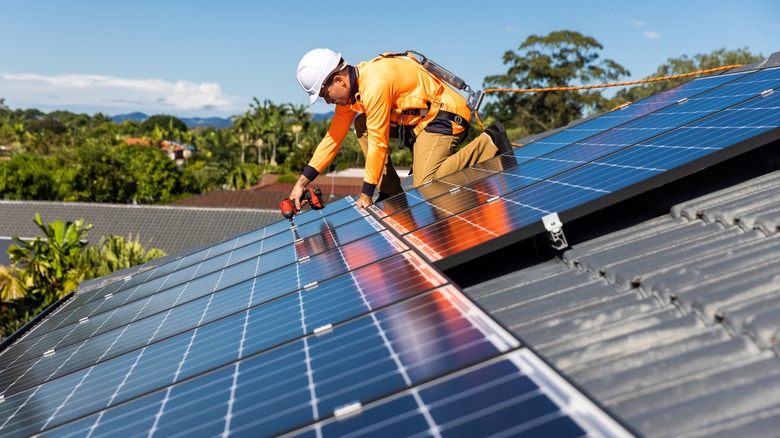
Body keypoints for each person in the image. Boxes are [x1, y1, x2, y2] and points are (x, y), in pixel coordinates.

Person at [289, 48, 513, 210]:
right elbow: (332, 138)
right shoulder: (353, 95)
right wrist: (302, 183)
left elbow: (378, 142)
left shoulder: (375, 84)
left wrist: (366, 193)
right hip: (419, 125)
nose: (327, 102)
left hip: (445, 116)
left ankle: (490, 141)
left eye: (325, 95)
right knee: (361, 123)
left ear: (339, 80)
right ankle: (391, 192)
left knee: (427, 183)